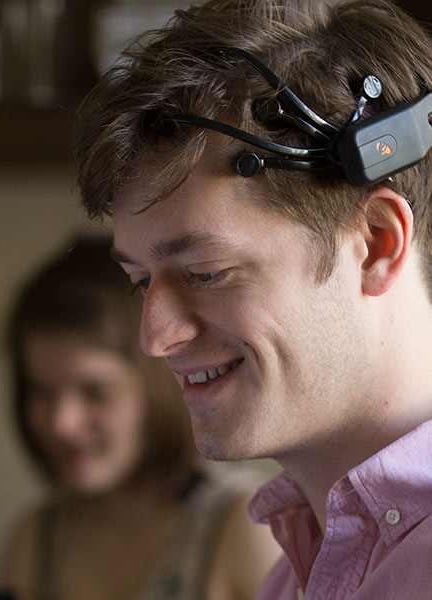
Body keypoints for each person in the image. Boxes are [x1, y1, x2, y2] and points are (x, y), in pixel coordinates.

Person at [73, 0, 432, 598]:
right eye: (142, 281)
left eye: (207, 272)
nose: (154, 338)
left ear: (374, 244)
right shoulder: (293, 573)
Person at [0, 235, 280, 600]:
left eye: (95, 392)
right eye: (41, 391)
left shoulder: (244, 524)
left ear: (161, 382)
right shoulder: (37, 538)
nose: (61, 424)